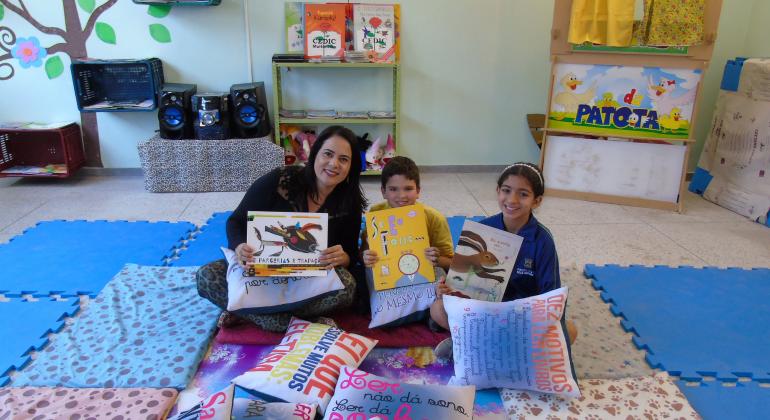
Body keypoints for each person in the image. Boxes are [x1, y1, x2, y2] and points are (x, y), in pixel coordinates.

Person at [196, 125, 367, 332]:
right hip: (260, 274)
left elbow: (350, 253)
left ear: (351, 166)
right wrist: (240, 245)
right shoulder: (279, 180)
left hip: (305, 281)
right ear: (315, 154)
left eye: (343, 159)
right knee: (206, 276)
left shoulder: (349, 202)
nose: (333, 164)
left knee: (347, 286)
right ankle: (291, 323)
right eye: (328, 154)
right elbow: (236, 222)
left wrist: (343, 258)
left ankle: (249, 312)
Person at [429, 162, 577, 344]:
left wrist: (533, 317)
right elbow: (466, 274)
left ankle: (473, 341)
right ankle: (494, 343)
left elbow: (552, 295)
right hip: (483, 311)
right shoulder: (483, 229)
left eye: (523, 194)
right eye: (506, 190)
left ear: (537, 200)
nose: (512, 200)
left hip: (522, 318)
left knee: (569, 330)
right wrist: (447, 289)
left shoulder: (543, 240)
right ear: (498, 191)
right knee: (437, 308)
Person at [362, 156, 454, 272]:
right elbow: (363, 253)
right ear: (383, 192)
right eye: (393, 189)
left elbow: (451, 262)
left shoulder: (434, 218)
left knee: (440, 279)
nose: (402, 196)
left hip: (423, 273)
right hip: (388, 274)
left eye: (408, 188)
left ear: (418, 191)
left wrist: (436, 259)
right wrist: (366, 256)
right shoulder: (376, 214)